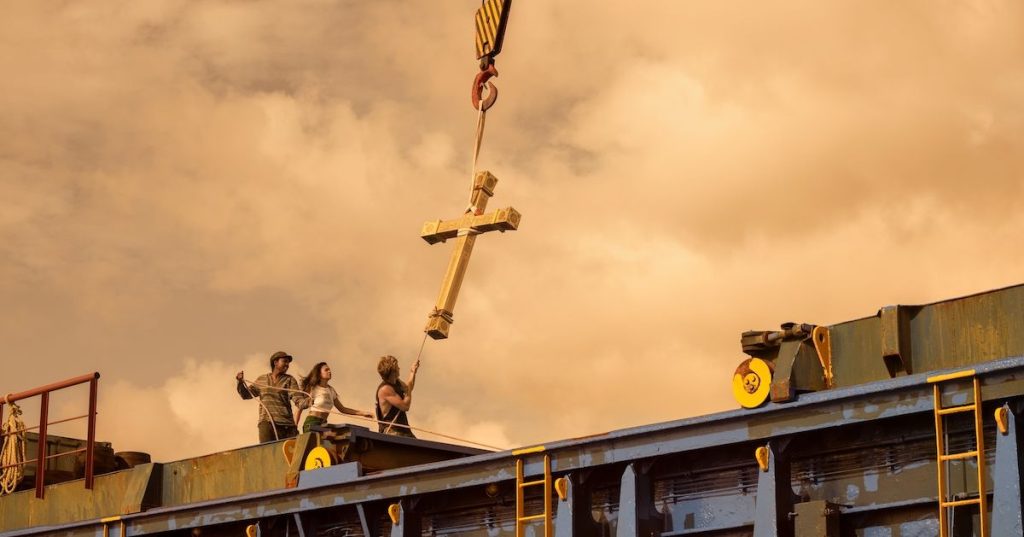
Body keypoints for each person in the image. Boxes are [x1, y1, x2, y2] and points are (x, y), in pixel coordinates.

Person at [236, 351, 304, 443]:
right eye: (285, 361)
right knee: (267, 451)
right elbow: (246, 395)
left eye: (288, 362)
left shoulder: (289, 380)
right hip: (266, 423)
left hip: (287, 425)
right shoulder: (262, 379)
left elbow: (298, 399)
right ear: (275, 362)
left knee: (290, 454)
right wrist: (240, 382)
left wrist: (308, 402)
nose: (287, 364)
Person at [295, 362, 373, 433]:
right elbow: (299, 408)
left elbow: (342, 409)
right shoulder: (313, 388)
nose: (329, 371)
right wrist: (294, 427)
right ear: (319, 373)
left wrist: (363, 413)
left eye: (329, 370)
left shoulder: (331, 390)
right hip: (312, 422)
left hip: (324, 424)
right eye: (326, 370)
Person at [375, 355, 419, 438]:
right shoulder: (385, 389)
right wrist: (408, 390)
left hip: (403, 430)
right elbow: (405, 406)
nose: (399, 368)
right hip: (393, 431)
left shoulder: (396, 382)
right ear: (393, 372)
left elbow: (408, 388)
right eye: (397, 367)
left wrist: (413, 372)